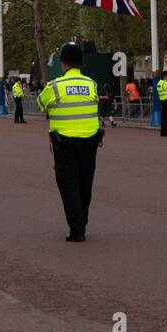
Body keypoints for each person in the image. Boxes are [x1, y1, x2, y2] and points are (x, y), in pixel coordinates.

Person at [37, 43, 102, 242]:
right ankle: (83, 219)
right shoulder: (92, 84)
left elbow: (41, 104)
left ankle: (77, 228)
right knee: (85, 182)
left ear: (63, 64)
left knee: (68, 184)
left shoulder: (54, 86)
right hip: (90, 141)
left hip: (64, 142)